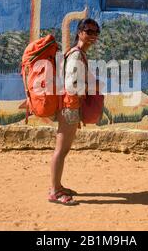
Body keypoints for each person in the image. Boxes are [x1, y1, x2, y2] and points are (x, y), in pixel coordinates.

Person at [48, 18, 101, 205]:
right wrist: (88, 87)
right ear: (80, 32)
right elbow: (72, 84)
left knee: (63, 149)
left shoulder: (78, 53)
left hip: (70, 106)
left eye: (96, 32)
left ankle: (57, 186)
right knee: (61, 150)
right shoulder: (77, 55)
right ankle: (54, 191)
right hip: (70, 107)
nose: (92, 36)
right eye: (89, 31)